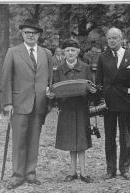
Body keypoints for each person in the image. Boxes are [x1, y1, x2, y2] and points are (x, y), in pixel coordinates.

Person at [1, 19, 53, 189]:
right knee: (19, 140)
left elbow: (50, 80)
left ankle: (30, 173)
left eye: (34, 33)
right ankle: (17, 175)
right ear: (22, 34)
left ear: (39, 35)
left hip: (39, 103)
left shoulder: (46, 53)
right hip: (19, 104)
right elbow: (6, 79)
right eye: (27, 32)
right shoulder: (13, 52)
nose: (30, 35)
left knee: (33, 140)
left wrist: (50, 97)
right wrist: (7, 103)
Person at [48, 39, 96, 183]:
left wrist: (93, 91)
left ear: (78, 52)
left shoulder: (86, 68)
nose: (70, 53)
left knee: (81, 139)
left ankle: (83, 172)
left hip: (81, 108)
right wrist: (52, 96)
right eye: (67, 50)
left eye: (73, 50)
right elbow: (54, 90)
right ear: (64, 53)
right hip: (66, 109)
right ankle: (72, 171)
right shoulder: (58, 70)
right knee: (70, 140)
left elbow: (92, 88)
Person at [96, 27, 130, 180]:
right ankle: (111, 169)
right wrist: (100, 100)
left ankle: (124, 168)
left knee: (125, 136)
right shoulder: (102, 57)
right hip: (108, 102)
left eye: (115, 38)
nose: (112, 41)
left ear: (121, 39)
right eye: (109, 38)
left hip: (125, 101)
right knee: (109, 136)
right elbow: (98, 82)